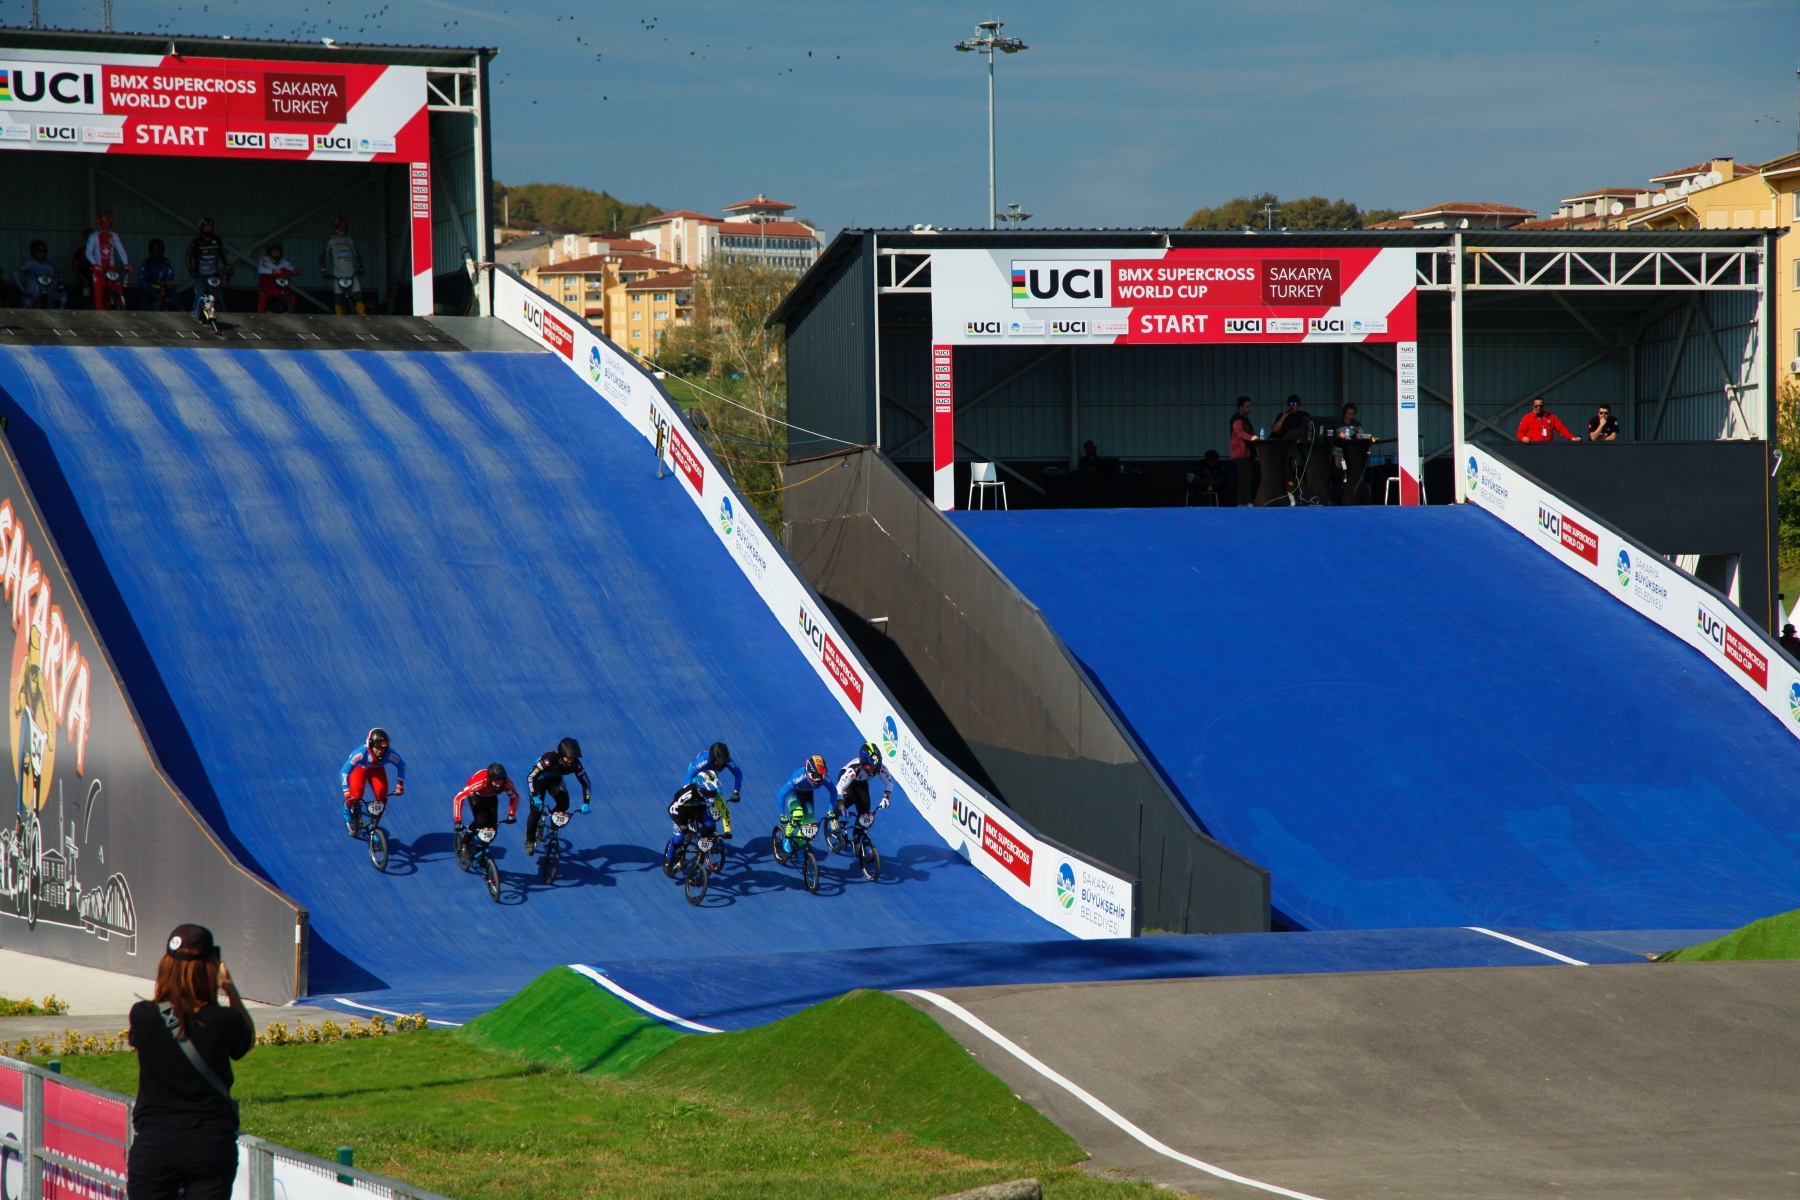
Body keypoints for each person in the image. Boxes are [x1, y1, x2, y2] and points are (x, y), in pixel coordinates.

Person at [126, 923, 254, 1200]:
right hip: (209, 1144)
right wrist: (230, 990)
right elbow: (246, 1042)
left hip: (154, 1143)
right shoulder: (223, 1021)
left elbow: (169, 1021)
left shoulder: (143, 1015)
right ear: (210, 967)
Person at [525, 736, 591, 854]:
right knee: (536, 810)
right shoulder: (549, 759)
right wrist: (534, 795)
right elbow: (531, 776)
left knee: (564, 803)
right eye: (569, 757)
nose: (571, 760)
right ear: (561, 755)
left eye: (574, 758)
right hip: (538, 780)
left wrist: (586, 802)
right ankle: (529, 840)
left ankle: (554, 821)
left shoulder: (576, 764)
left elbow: (586, 783)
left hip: (555, 779)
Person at [340, 727, 406, 830]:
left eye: (383, 748)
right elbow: (344, 772)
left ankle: (374, 827)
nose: (380, 751)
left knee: (382, 796)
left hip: (377, 771)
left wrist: (399, 784)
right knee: (356, 795)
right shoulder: (361, 753)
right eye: (377, 747)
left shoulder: (389, 754)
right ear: (370, 745)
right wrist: (346, 792)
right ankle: (346, 811)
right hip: (359, 770)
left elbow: (402, 766)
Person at [774, 755, 834, 858]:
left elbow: (834, 792)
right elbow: (781, 793)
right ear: (809, 772)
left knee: (808, 825)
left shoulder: (824, 778)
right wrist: (782, 814)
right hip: (793, 794)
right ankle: (787, 838)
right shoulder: (800, 777)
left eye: (821, 776)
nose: (819, 779)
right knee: (797, 814)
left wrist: (831, 811)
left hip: (807, 795)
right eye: (815, 776)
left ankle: (798, 844)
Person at [452, 763, 519, 856]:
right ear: (490, 779)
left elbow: (514, 797)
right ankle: (465, 843)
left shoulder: (507, 784)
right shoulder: (479, 782)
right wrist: (458, 820)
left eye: (501, 781)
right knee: (481, 820)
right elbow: (458, 798)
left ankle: (482, 848)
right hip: (476, 795)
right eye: (496, 781)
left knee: (493, 827)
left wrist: (512, 814)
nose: (499, 785)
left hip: (491, 796)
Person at [664, 769, 721, 869]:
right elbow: (671, 808)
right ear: (700, 787)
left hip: (697, 809)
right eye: (708, 792)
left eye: (713, 791)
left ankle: (702, 847)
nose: (711, 794)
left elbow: (723, 809)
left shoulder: (712, 792)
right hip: (681, 812)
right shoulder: (689, 793)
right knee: (678, 839)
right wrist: (681, 825)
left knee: (711, 825)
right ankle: (668, 859)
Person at [832, 742, 893, 835]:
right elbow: (839, 787)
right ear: (864, 762)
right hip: (848, 782)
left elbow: (889, 782)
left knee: (865, 813)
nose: (873, 768)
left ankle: (856, 839)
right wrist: (841, 806)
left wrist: (886, 797)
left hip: (861, 782)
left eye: (875, 766)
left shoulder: (880, 767)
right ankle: (834, 818)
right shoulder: (854, 769)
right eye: (871, 765)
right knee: (849, 799)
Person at [685, 741, 742, 836]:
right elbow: (688, 776)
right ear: (713, 758)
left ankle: (710, 819)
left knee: (718, 791)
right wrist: (689, 791)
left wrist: (736, 791)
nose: (721, 765)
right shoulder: (704, 760)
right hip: (697, 771)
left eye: (723, 763)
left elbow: (738, 774)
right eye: (718, 763)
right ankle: (689, 818)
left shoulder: (726, 760)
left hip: (711, 773)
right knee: (695, 790)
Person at [321, 216, 366, 315]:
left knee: (359, 297)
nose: (343, 228)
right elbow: (322, 256)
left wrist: (361, 266)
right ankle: (340, 322)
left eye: (344, 226)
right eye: (340, 226)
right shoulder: (330, 241)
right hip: (338, 275)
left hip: (351, 274)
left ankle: (363, 320)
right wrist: (323, 269)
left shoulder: (350, 240)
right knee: (338, 299)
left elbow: (358, 254)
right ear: (336, 227)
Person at [85, 211, 129, 310]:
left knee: (118, 290)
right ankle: (100, 313)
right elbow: (88, 253)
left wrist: (126, 264)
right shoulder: (93, 236)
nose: (107, 226)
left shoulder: (114, 236)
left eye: (109, 223)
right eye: (105, 223)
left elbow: (121, 250)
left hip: (111, 268)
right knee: (98, 292)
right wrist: (95, 264)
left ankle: (120, 310)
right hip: (98, 268)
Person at [186, 218, 228, 320]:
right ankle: (195, 317)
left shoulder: (217, 241)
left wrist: (228, 266)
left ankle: (222, 317)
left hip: (214, 275)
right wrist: (190, 269)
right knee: (199, 296)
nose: (208, 230)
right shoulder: (196, 242)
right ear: (201, 228)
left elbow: (222, 255)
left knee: (219, 296)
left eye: (210, 228)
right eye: (206, 228)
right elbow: (188, 256)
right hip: (201, 275)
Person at [13, 240, 64, 309]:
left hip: (48, 292)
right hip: (32, 292)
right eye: (39, 252)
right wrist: (23, 290)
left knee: (63, 296)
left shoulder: (49, 266)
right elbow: (15, 274)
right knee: (27, 301)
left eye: (43, 252)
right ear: (34, 253)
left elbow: (54, 280)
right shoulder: (28, 264)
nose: (41, 254)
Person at [1228, 396, 1259, 505]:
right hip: (1239, 453)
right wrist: (1251, 438)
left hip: (1246, 453)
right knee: (1246, 476)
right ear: (1241, 407)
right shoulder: (1237, 419)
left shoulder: (1245, 419)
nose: (1249, 408)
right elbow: (1240, 432)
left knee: (1245, 477)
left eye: (1250, 406)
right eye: (1247, 406)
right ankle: (1246, 501)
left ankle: (1242, 502)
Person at [255, 242, 300, 314]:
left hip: (281, 288)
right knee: (262, 298)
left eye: (278, 252)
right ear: (270, 253)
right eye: (274, 252)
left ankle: (292, 316)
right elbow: (260, 270)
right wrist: (275, 272)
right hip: (266, 289)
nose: (276, 254)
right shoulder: (265, 260)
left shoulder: (284, 262)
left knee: (292, 297)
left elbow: (294, 269)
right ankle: (259, 317)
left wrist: (292, 272)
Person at [139, 238, 176, 310]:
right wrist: (150, 288)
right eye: (155, 251)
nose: (157, 253)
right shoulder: (146, 263)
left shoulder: (166, 262)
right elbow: (141, 279)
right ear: (151, 251)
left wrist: (167, 273)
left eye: (159, 251)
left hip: (163, 289)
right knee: (144, 300)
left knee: (175, 296)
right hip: (150, 289)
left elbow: (171, 276)